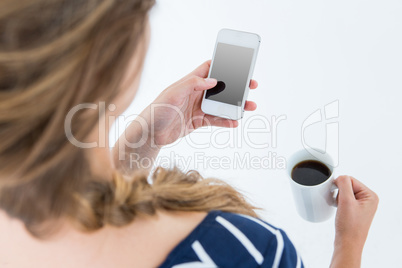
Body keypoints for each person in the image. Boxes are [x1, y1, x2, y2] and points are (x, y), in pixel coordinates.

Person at [0, 0, 378, 267]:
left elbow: (86, 208)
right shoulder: (244, 252)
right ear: (109, 60)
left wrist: (144, 138)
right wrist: (349, 245)